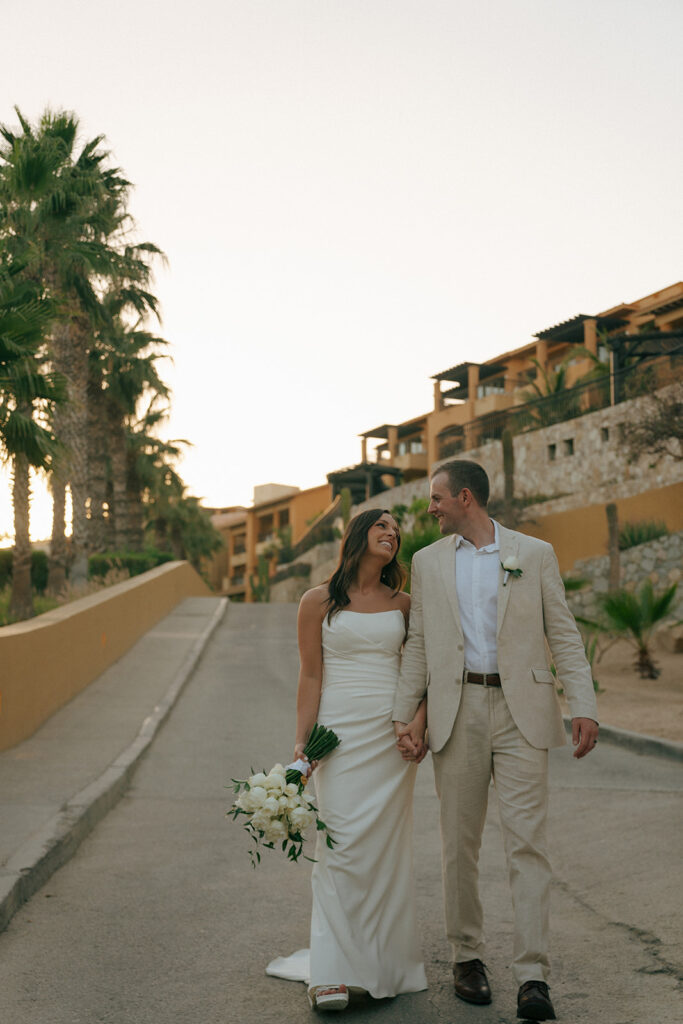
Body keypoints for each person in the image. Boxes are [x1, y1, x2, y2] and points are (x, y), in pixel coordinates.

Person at [393, 459, 599, 1023]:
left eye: (436, 498)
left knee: (527, 844)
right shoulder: (427, 562)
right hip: (455, 710)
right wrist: (402, 716)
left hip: (523, 712)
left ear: (465, 497)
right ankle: (467, 957)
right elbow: (418, 645)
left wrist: (583, 705)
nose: (429, 508)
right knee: (459, 844)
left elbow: (563, 633)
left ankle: (533, 975)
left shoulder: (533, 554)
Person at [267, 508, 428, 1011]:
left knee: (383, 850)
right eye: (383, 526)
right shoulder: (317, 601)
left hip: (390, 736)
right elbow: (310, 677)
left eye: (396, 531)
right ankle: (331, 972)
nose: (392, 534)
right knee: (339, 846)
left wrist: (417, 724)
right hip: (337, 735)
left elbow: (425, 670)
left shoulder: (406, 604)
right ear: (359, 535)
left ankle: (380, 963)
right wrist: (302, 745)